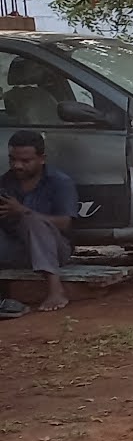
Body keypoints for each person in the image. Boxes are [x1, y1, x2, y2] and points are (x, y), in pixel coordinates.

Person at [0, 130, 78, 312]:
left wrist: (22, 211)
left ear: (42, 159)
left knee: (31, 220)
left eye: (25, 161)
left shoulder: (59, 182)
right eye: (12, 159)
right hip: (17, 251)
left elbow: (65, 223)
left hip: (55, 250)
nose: (17, 166)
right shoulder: (5, 182)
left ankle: (55, 290)